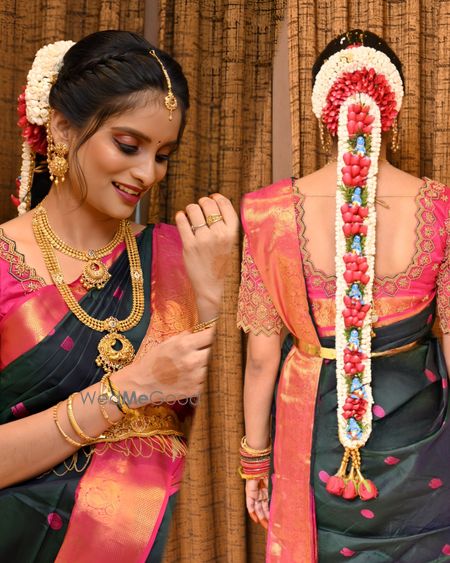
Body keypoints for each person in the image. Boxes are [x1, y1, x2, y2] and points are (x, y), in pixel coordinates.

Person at [0, 30, 238, 562]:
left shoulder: (180, 254)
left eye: (162, 155)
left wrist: (212, 297)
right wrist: (131, 387)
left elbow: (239, 443)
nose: (147, 173)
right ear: (62, 127)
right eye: (128, 146)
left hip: (185, 537)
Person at [237, 30, 450, 562]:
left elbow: (262, 359)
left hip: (315, 433)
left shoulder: (269, 214)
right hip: (420, 435)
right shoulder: (441, 207)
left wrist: (255, 460)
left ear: (322, 117)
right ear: (391, 114)